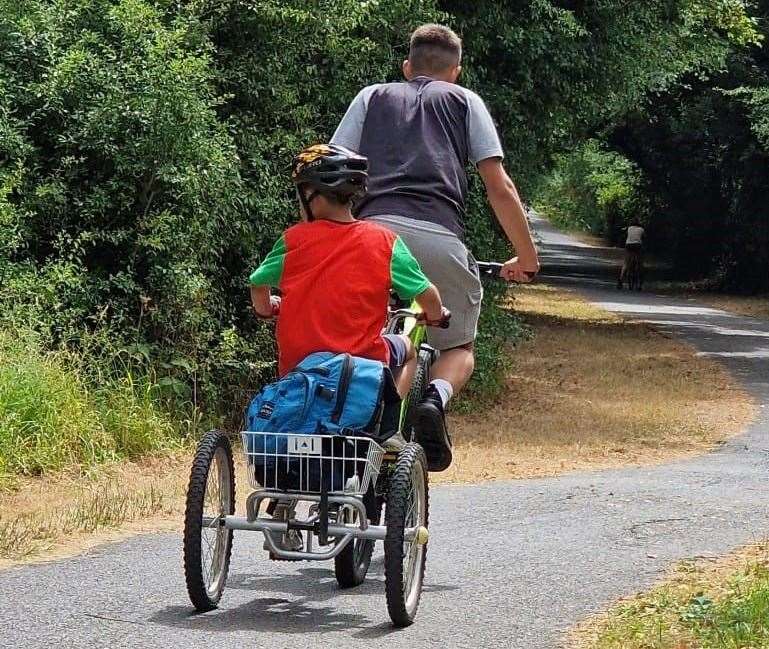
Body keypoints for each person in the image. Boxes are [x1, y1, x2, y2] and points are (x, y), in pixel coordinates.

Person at [332, 23, 539, 468]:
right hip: (437, 237)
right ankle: (434, 400)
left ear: (407, 67)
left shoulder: (372, 96)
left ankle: (363, 430)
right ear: (456, 72)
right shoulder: (466, 102)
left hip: (367, 239)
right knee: (457, 347)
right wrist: (526, 255)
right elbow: (498, 186)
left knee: (358, 340)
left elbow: (331, 171)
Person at [249, 142, 448, 403]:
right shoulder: (384, 242)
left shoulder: (293, 240)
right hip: (361, 368)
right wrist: (435, 315)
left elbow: (257, 282)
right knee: (409, 350)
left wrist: (267, 308)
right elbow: (427, 294)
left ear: (312, 194)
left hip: (297, 368)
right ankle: (385, 419)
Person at [617, 218, 645, 289]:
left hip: (629, 246)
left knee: (626, 263)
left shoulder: (629, 228)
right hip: (638, 246)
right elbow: (644, 237)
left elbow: (625, 236)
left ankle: (620, 280)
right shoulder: (641, 229)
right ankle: (640, 283)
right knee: (639, 263)